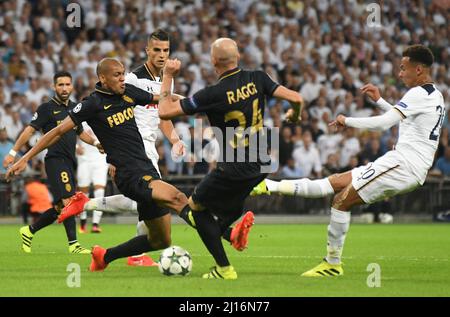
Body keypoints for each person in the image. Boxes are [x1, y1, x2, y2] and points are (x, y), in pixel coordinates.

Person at [6, 58, 251, 274]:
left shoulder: (128, 92)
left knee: (160, 240)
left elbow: (162, 99)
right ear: (102, 78)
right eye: (117, 75)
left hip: (146, 168)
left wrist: (199, 102)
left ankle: (104, 256)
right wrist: (25, 157)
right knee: (178, 199)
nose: (123, 79)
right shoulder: (91, 104)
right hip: (128, 175)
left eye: (123, 74)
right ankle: (229, 235)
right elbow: (58, 131)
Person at [253, 45, 445, 277]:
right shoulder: (434, 94)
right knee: (333, 182)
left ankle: (332, 263)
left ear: (419, 69)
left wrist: (348, 120)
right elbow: (406, 121)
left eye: (403, 69)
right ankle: (267, 186)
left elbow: (385, 123)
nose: (400, 74)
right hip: (402, 163)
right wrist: (381, 100)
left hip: (404, 165)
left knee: (341, 201)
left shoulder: (417, 93)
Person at [74, 30, 252, 267]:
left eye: (165, 50)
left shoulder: (165, 79)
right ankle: (228, 234)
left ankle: (103, 241)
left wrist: (175, 139)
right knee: (173, 200)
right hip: (136, 149)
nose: (161, 54)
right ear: (147, 51)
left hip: (147, 150)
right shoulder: (132, 80)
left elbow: (163, 112)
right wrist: (116, 156)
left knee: (156, 218)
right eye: (156, 50)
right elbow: (111, 115)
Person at [157, 37, 304, 279]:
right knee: (217, 218)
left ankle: (224, 269)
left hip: (232, 168)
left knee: (195, 211)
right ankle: (232, 234)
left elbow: (164, 112)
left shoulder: (213, 93)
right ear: (237, 57)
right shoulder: (258, 78)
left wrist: (168, 76)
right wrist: (294, 116)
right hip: (260, 165)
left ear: (213, 61)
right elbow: (297, 99)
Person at [3, 71, 102, 254]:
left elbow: (80, 133)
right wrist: (13, 152)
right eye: (60, 85)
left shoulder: (75, 108)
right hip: (56, 160)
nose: (64, 88)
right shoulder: (46, 109)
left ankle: (29, 231)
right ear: (53, 87)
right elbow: (29, 131)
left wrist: (96, 143)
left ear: (72, 86)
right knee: (69, 201)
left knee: (59, 207)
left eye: (67, 84)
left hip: (70, 161)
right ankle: (74, 244)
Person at [76, 121, 108, 234]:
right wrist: (76, 146)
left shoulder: (103, 116)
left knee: (99, 192)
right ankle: (83, 221)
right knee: (83, 193)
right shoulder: (81, 117)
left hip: (100, 158)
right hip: (84, 159)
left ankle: (95, 224)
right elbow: (67, 133)